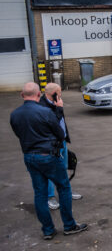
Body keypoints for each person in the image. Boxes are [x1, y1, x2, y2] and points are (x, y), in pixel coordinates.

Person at [10, 82, 88, 240]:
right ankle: (69, 225)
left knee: (40, 193)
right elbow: (60, 134)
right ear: (38, 95)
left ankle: (48, 230)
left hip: (30, 156)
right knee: (64, 187)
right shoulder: (45, 112)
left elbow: (19, 134)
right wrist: (58, 110)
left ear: (21, 95)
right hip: (48, 156)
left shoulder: (14, 114)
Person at [40, 83, 83, 210]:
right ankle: (50, 197)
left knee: (63, 167)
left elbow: (61, 121)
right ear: (51, 93)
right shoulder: (42, 106)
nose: (60, 95)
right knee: (50, 171)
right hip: (51, 144)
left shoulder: (56, 101)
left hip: (62, 140)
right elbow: (52, 123)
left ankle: (66, 192)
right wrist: (59, 108)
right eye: (58, 92)